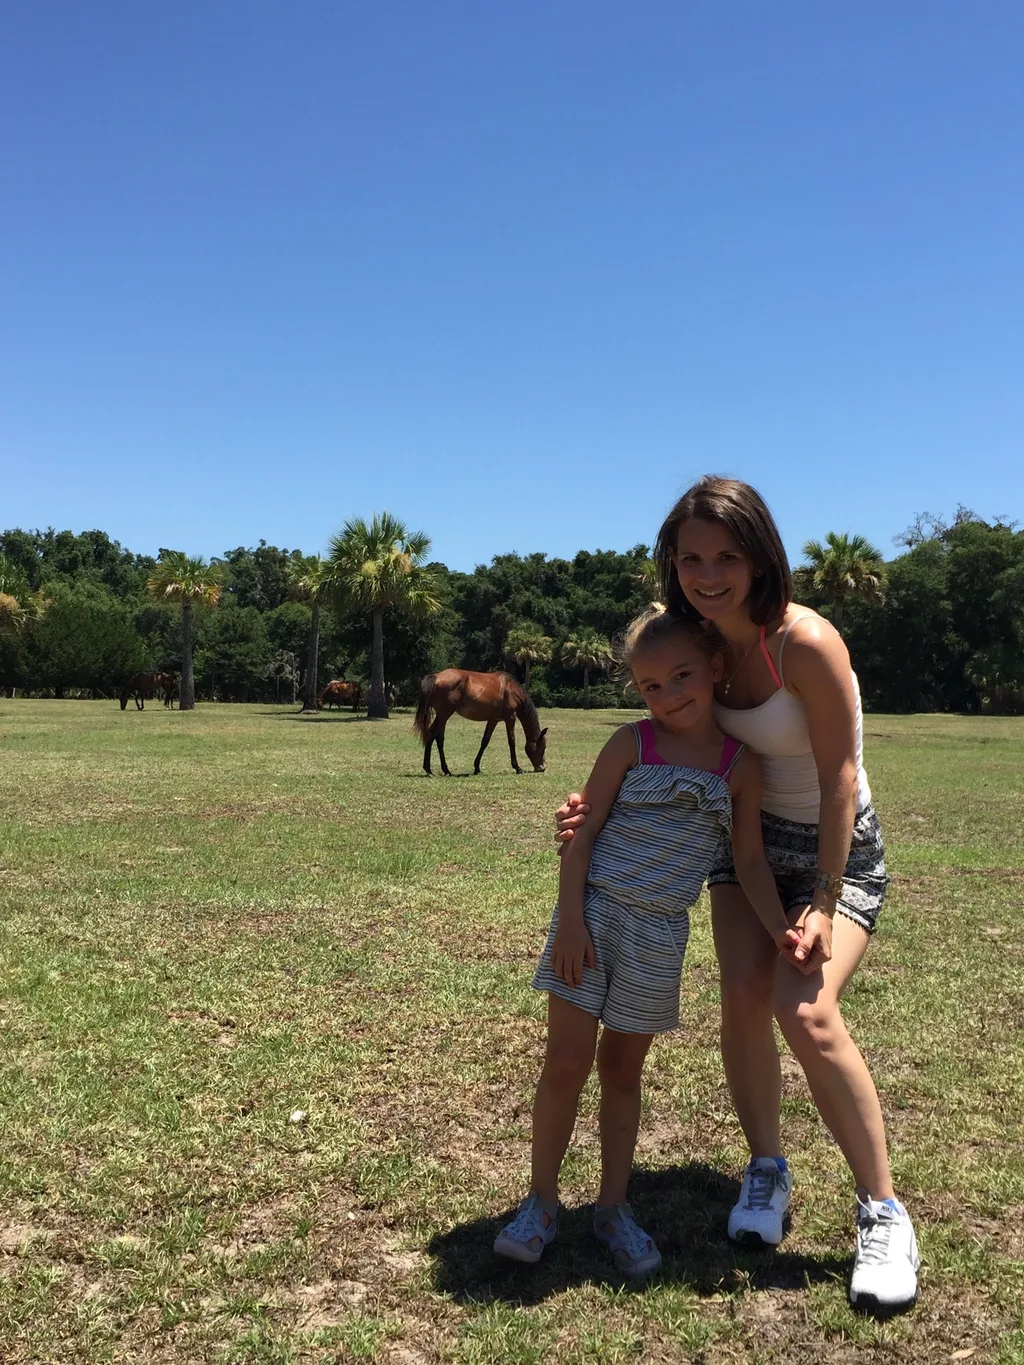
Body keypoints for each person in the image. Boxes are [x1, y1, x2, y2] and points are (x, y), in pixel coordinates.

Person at [555, 477, 919, 1311]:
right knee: (744, 1000)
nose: (709, 573)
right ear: (672, 563)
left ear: (760, 555)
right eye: (691, 557)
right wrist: (592, 802)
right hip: (742, 846)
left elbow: (840, 776)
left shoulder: (805, 643)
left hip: (836, 851)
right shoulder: (695, 647)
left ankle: (884, 1211)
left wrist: (824, 898)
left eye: (726, 555)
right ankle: (767, 1169)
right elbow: (666, 729)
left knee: (809, 1010)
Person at [495, 608, 809, 1279]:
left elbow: (749, 862)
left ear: (715, 668)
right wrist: (570, 919)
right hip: (592, 919)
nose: (667, 696)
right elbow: (581, 835)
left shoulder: (739, 766)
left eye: (680, 677)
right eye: (649, 686)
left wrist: (781, 924)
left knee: (622, 1073)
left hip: (659, 935)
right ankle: (541, 1202)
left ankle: (613, 1208)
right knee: (566, 1062)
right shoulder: (630, 744)